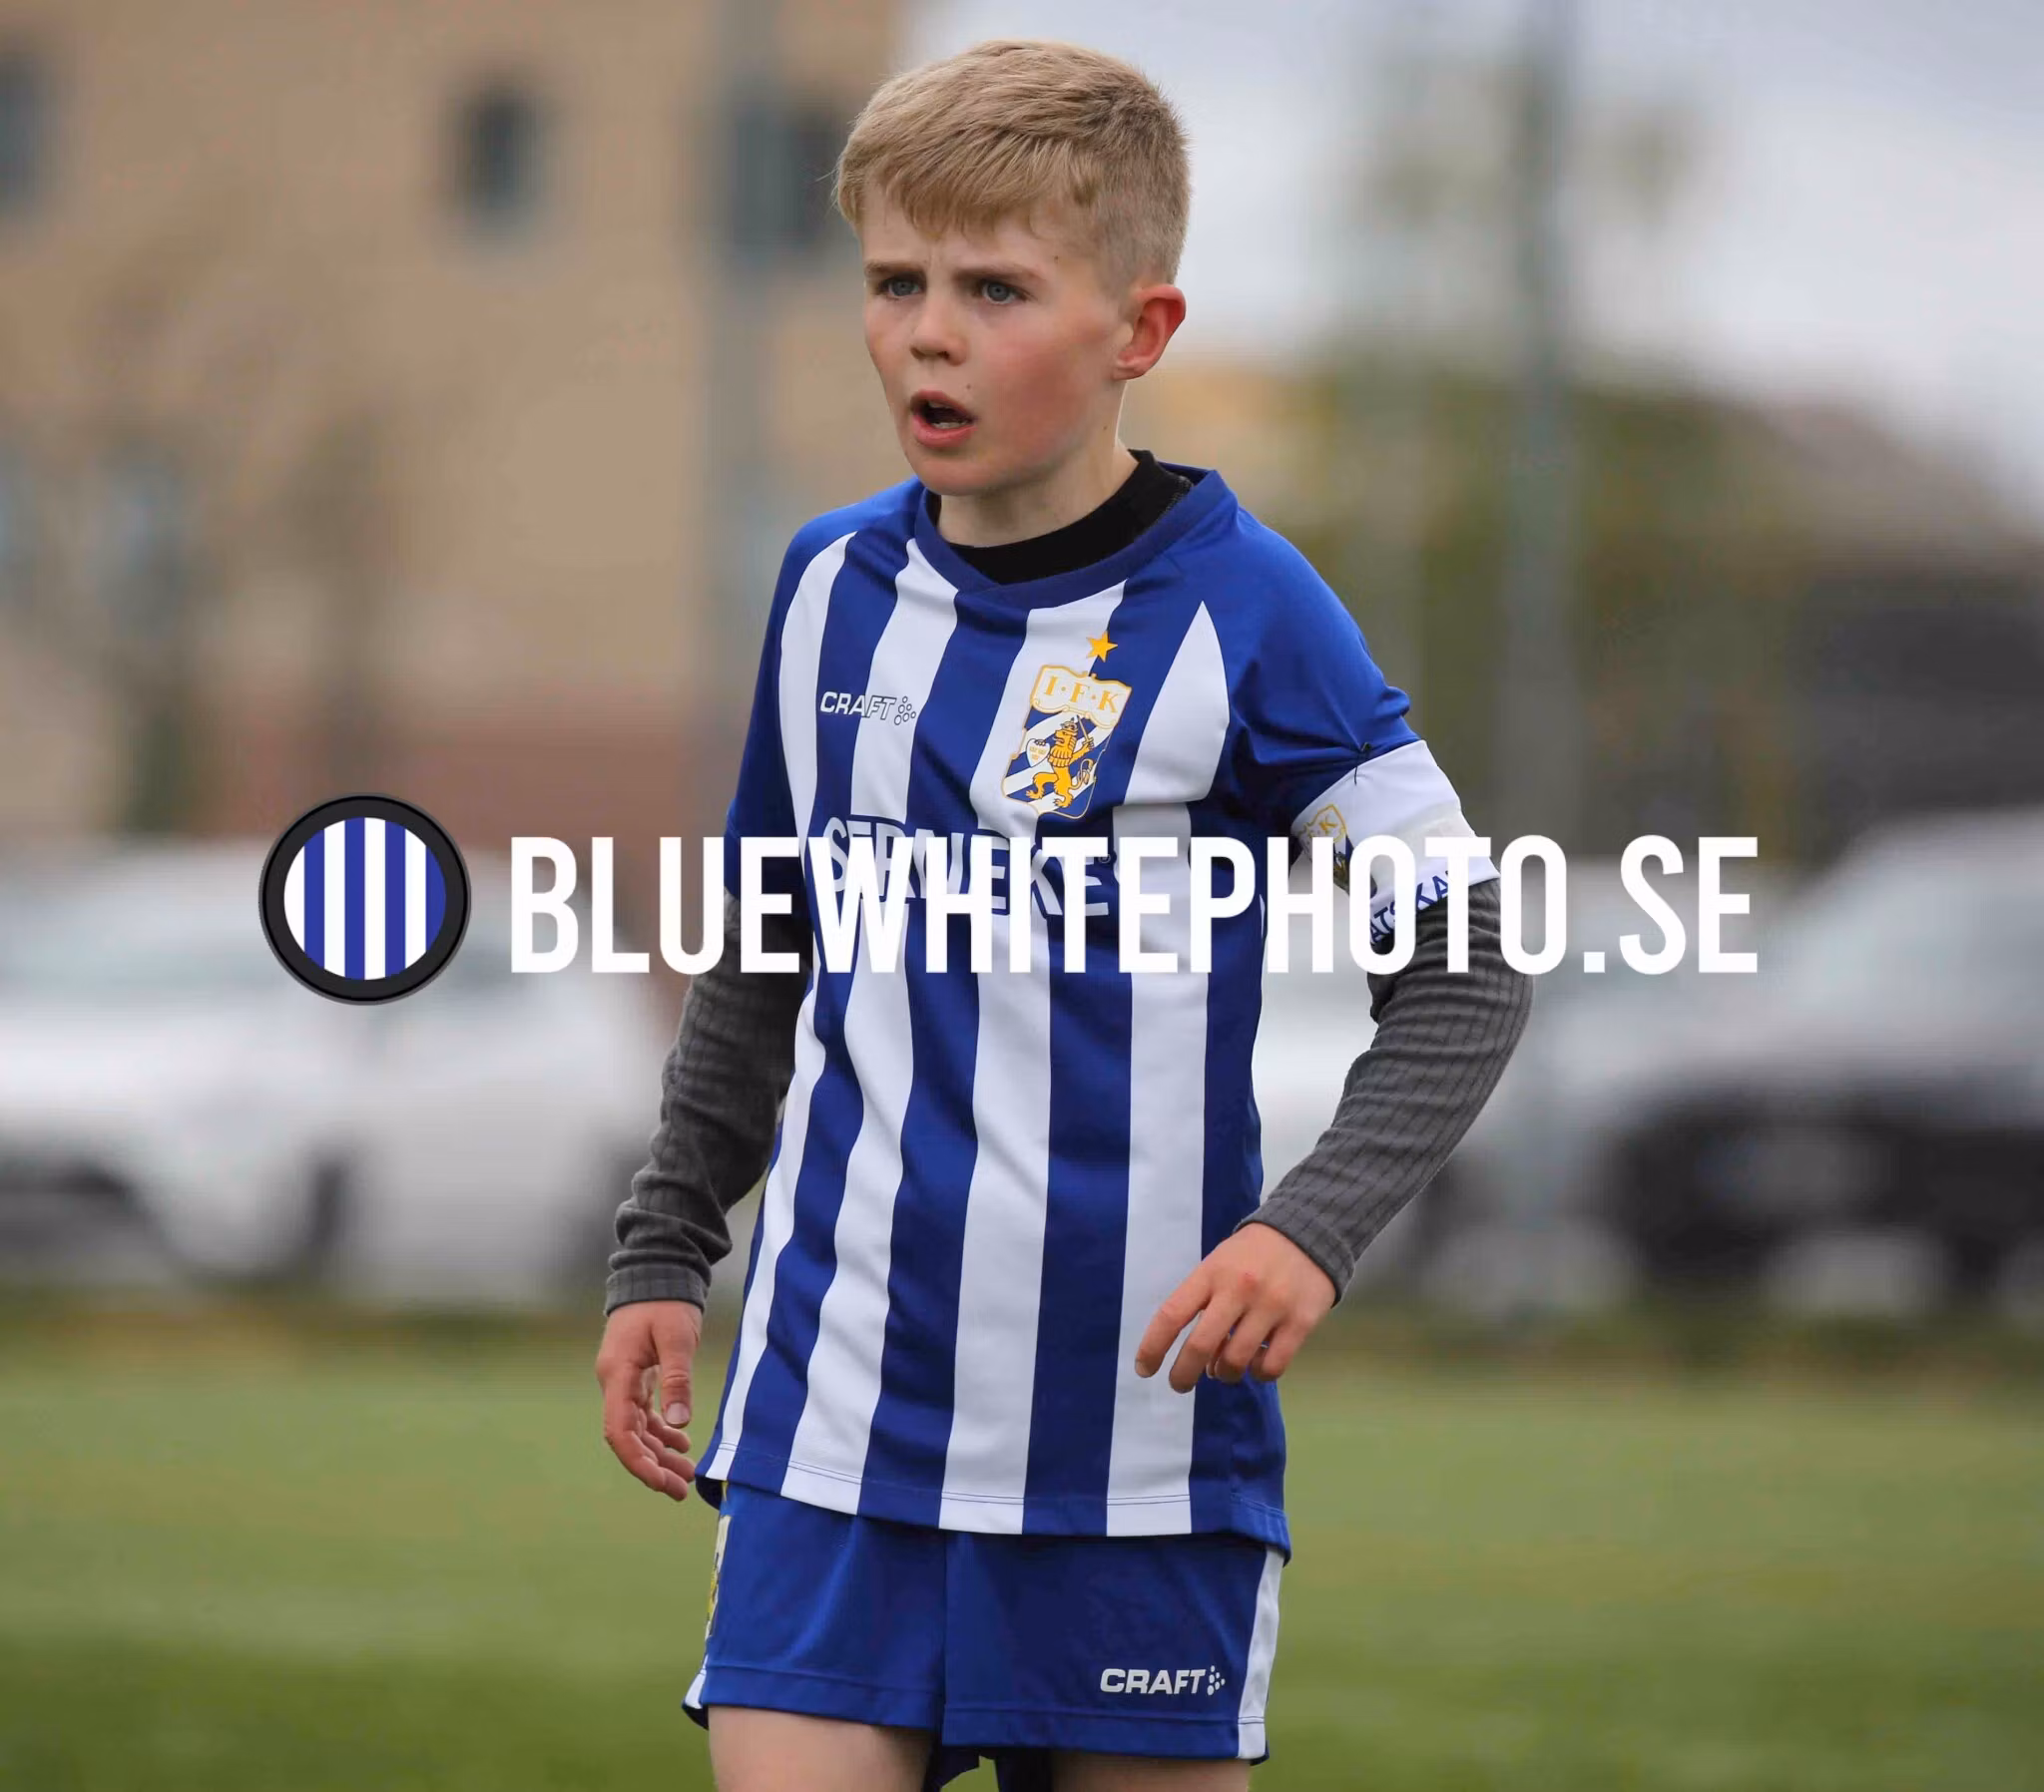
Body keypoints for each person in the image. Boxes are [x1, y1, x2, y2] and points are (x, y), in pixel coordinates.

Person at [594, 38, 1532, 1792]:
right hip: (833, 1430)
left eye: (996, 290)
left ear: (1139, 332)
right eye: (896, 283)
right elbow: (765, 952)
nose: (928, 334)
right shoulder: (827, 587)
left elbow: (1467, 972)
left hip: (1136, 1457)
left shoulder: (1251, 612)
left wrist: (1309, 1230)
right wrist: (666, 1244)